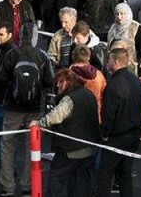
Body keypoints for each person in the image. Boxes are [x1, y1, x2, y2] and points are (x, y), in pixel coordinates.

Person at [0, 22, 53, 196]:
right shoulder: (42, 56)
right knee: (32, 146)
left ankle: (7, 185)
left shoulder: (11, 54)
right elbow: (49, 81)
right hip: (35, 107)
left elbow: (0, 77)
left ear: (19, 35)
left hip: (13, 107)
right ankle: (28, 184)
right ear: (36, 37)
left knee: (8, 145)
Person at [32, 68, 100, 197]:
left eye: (60, 82)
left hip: (70, 150)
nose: (58, 85)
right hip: (90, 147)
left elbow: (55, 117)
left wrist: (39, 123)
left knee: (57, 180)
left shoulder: (69, 99)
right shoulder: (89, 94)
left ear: (69, 82)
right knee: (82, 183)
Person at [95, 48, 141, 197]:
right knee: (125, 174)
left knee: (104, 173)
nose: (107, 63)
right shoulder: (135, 80)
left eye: (109, 60)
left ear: (115, 62)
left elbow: (108, 114)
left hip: (117, 137)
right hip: (133, 135)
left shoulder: (113, 84)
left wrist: (104, 134)